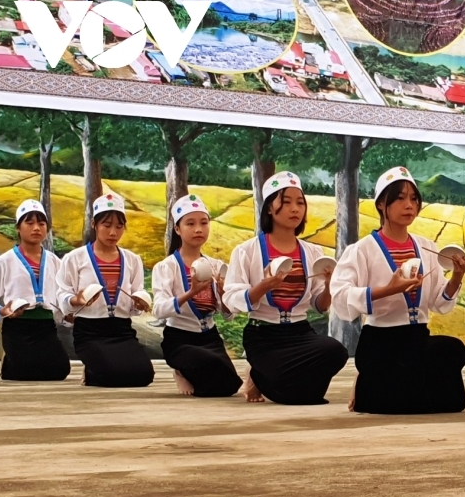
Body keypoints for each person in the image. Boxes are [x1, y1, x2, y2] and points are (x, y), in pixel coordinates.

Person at [331, 167, 465, 414]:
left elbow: (439, 302)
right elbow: (341, 296)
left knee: (452, 363)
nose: (409, 205)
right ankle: (367, 383)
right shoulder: (362, 250)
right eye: (400, 198)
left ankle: (376, 386)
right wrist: (388, 290)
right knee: (407, 400)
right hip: (381, 341)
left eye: (414, 199)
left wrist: (457, 276)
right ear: (381, 204)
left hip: (418, 338)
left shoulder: (426, 247)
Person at [223, 171, 348, 404]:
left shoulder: (312, 252)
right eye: (287, 202)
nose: (295, 209)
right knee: (295, 395)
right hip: (263, 334)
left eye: (300, 203)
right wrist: (264, 286)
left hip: (300, 332)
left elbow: (319, 305)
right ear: (270, 208)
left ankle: (262, 377)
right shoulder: (246, 251)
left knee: (335, 351)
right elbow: (231, 298)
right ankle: (258, 373)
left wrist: (329, 286)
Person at [56, 193, 155, 387]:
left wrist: (139, 303)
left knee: (144, 375)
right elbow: (61, 294)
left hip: (122, 330)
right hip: (89, 331)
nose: (113, 232)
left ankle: (96, 368)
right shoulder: (75, 258)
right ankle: (93, 368)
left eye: (119, 226)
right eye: (107, 225)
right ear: (94, 224)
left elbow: (136, 297)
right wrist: (77, 300)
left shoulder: (132, 260)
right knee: (113, 374)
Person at [152, 193, 242, 398]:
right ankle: (180, 370)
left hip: (209, 336)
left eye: (204, 223)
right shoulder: (166, 267)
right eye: (190, 224)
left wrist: (223, 294)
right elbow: (158, 311)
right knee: (211, 372)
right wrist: (191, 293)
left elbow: (229, 316)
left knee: (230, 385)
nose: (198, 229)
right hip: (180, 338)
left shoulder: (217, 266)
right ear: (177, 229)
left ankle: (190, 369)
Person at [0, 200, 70, 381]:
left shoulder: (55, 262)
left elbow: (60, 296)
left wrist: (67, 316)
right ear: (18, 227)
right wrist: (2, 310)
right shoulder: (3, 262)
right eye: (29, 223)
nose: (36, 228)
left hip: (46, 328)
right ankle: (9, 362)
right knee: (24, 371)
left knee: (60, 370)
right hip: (17, 327)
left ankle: (18, 360)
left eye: (41, 223)